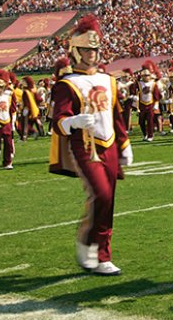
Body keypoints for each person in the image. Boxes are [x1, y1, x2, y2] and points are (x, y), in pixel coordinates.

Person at [51, 14, 131, 276]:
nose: (92, 54)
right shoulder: (67, 84)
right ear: (75, 51)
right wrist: (73, 121)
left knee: (110, 200)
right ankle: (88, 241)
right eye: (86, 49)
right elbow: (58, 122)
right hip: (84, 145)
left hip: (108, 144)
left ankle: (103, 254)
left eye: (95, 49)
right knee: (101, 194)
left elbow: (116, 116)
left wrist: (125, 144)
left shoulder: (108, 80)